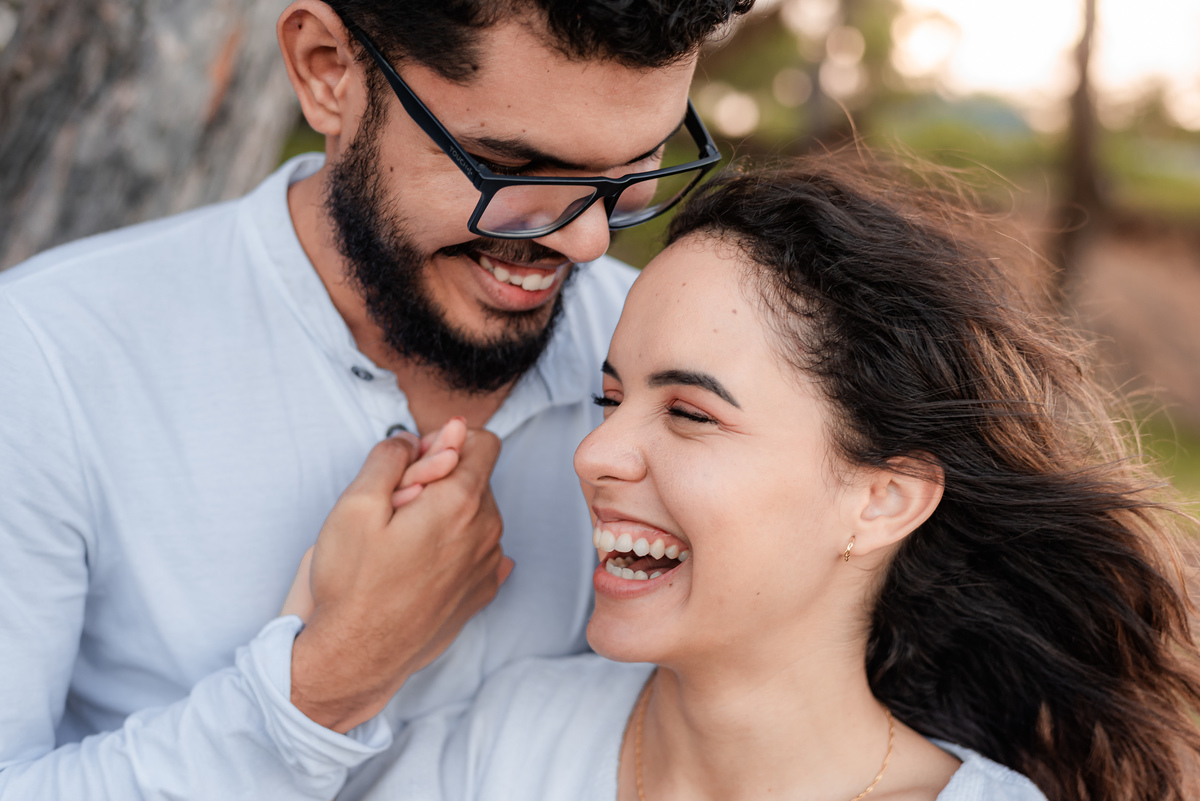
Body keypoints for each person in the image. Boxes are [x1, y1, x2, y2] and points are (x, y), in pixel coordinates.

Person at [0, 1, 754, 798]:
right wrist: (326, 684)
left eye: (638, 165)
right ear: (327, 69)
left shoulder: (702, 381)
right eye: (512, 165)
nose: (588, 243)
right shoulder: (46, 358)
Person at [337, 156, 1200, 801]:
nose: (593, 453)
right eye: (611, 398)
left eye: (690, 412)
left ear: (881, 498)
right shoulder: (510, 740)